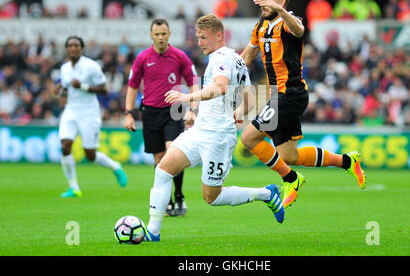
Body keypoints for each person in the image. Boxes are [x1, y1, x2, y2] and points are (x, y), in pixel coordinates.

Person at [144, 14, 284, 242]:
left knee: (212, 197)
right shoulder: (237, 60)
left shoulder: (219, 57)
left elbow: (220, 87)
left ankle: (267, 194)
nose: (199, 43)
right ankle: (153, 232)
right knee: (163, 170)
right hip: (200, 130)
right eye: (198, 37)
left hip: (217, 137)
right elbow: (248, 101)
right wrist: (237, 114)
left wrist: (186, 96)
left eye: (203, 38)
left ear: (219, 35)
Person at [239, 0, 366, 209]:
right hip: (278, 97)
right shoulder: (260, 27)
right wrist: (224, 69)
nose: (262, 3)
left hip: (290, 95)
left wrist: (281, 12)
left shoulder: (289, 22)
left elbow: (299, 30)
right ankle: (347, 160)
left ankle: (291, 179)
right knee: (289, 156)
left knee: (248, 138)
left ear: (281, 1)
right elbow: (245, 57)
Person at [124, 19, 198, 217]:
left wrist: (192, 108)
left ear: (169, 34)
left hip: (173, 110)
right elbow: (132, 86)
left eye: (164, 33)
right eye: (157, 34)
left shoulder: (180, 56)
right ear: (151, 35)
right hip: (150, 111)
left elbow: (193, 82)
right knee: (159, 158)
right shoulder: (142, 58)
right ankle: (168, 201)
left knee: (172, 152)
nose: (161, 37)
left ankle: (180, 196)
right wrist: (128, 113)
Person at [56, 36, 127, 198]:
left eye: (76, 45)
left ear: (81, 48)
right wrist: (59, 90)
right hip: (71, 110)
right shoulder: (65, 68)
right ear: (67, 49)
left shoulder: (91, 66)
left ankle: (115, 166)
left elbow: (105, 89)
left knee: (90, 155)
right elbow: (67, 89)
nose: (73, 48)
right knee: (65, 146)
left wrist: (83, 86)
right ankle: (73, 188)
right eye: (70, 45)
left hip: (89, 112)